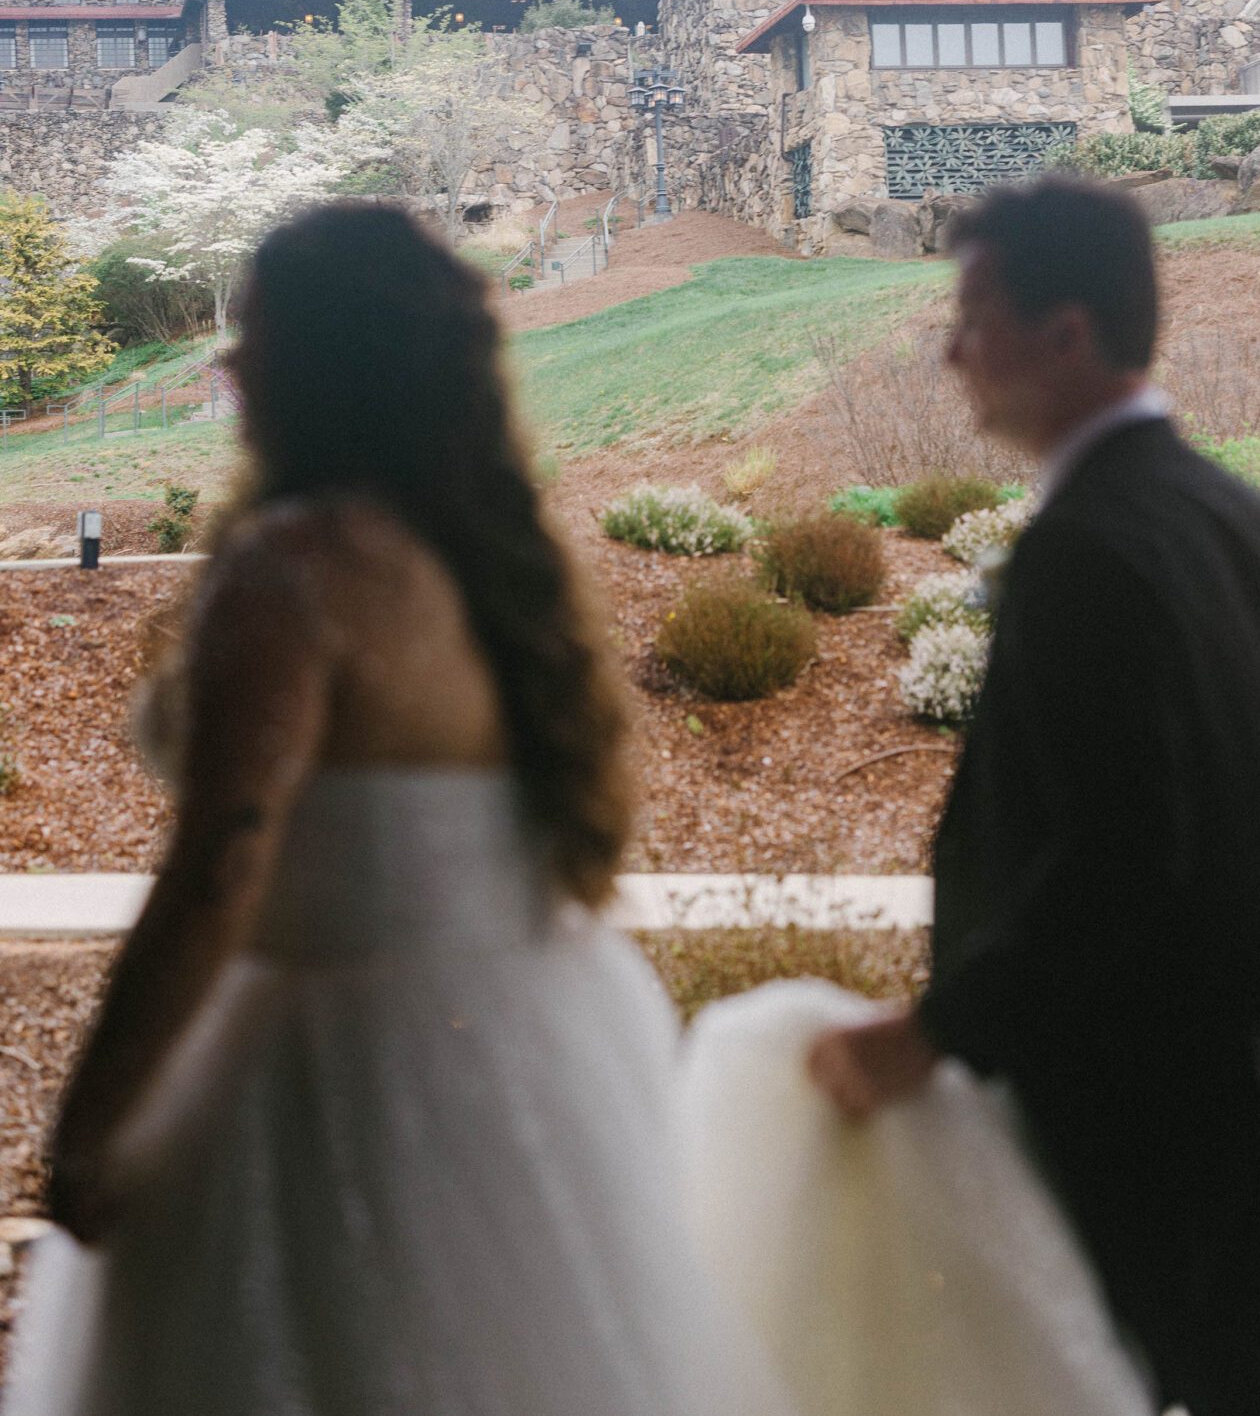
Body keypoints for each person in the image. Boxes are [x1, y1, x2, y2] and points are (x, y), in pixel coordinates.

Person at [5, 203, 789, 1416]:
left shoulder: (294, 570)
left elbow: (222, 863)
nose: (230, 364)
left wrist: (91, 1119)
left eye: (258, 336)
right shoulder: (486, 564)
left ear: (327, 364)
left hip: (328, 1078)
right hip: (529, 1043)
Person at [809, 176, 1260, 1416]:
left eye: (973, 311)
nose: (949, 348)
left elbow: (1124, 847)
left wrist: (935, 1031)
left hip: (1171, 1089)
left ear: (1064, 333)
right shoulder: (1247, 518)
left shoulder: (1086, 547)